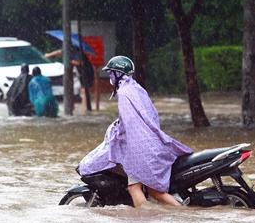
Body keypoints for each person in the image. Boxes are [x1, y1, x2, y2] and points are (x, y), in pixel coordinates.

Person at [78, 56, 192, 208]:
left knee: (134, 187)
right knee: (155, 192)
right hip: (152, 145)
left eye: (112, 73)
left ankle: (143, 220)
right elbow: (147, 117)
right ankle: (184, 212)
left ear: (118, 74)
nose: (110, 77)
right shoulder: (137, 89)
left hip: (138, 149)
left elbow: (131, 124)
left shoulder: (124, 93)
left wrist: (119, 132)